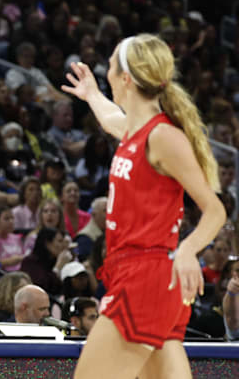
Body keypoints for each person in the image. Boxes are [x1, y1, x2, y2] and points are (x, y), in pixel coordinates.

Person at [63, 34, 225, 379]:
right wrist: (92, 94)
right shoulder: (137, 131)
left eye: (109, 67)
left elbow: (215, 210)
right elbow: (110, 118)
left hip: (146, 276)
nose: (105, 72)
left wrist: (187, 250)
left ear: (126, 78)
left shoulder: (163, 137)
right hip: (140, 275)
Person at [20, 227, 72, 296]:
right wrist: (58, 267)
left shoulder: (56, 260)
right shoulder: (30, 262)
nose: (63, 245)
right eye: (60, 241)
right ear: (48, 243)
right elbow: (43, 287)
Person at [75, 197, 107, 261]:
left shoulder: (111, 231)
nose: (109, 214)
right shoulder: (85, 238)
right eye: (105, 211)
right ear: (94, 214)